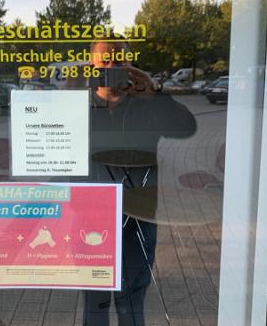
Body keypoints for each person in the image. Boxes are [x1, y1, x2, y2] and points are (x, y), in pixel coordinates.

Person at [82, 38, 197, 326]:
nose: (112, 67)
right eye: (105, 61)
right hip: (88, 219)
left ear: (130, 65)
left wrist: (154, 94)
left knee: (131, 302)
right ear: (91, 65)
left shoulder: (147, 104)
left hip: (138, 219)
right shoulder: (78, 106)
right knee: (94, 301)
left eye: (119, 61)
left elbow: (186, 128)